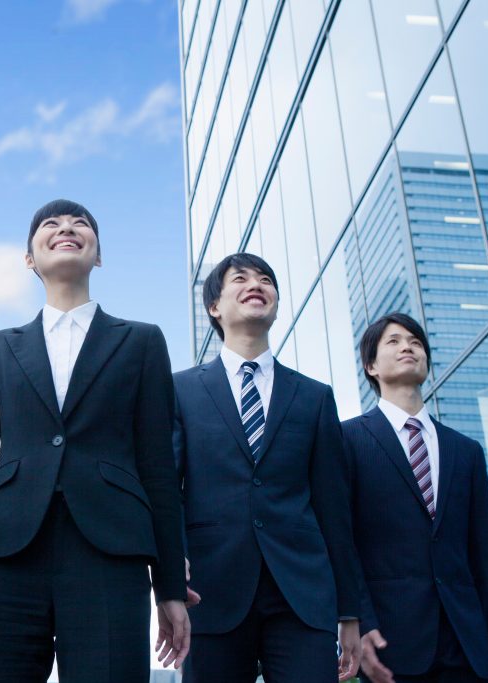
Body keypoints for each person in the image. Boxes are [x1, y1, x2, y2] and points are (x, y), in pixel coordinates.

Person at [0, 199, 190, 683]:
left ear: (99, 255)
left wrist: (169, 583)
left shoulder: (143, 342)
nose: (66, 228)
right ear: (29, 259)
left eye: (79, 224)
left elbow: (158, 466)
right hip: (4, 552)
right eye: (51, 225)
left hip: (111, 552)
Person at [173, 253, 363, 683]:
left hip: (301, 594)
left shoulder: (314, 397)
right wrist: (169, 573)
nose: (256, 284)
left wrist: (350, 611)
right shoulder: (180, 390)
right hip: (211, 591)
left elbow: (334, 509)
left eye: (266, 279)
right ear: (215, 307)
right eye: (239, 278)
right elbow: (168, 490)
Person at [344, 312, 488, 683]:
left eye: (416, 342)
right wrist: (360, 622)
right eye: (393, 341)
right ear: (371, 365)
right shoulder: (346, 440)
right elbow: (341, 544)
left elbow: (485, 557)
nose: (408, 346)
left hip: (469, 645)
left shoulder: (465, 450)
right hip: (392, 643)